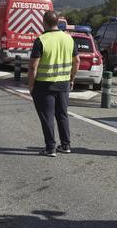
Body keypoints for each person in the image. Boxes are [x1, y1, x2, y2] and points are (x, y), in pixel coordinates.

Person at [27, 11, 80, 157]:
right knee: (62, 115)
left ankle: (50, 147)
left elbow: (33, 66)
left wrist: (31, 85)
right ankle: (66, 145)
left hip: (45, 85)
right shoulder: (69, 39)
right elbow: (77, 61)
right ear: (58, 23)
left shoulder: (41, 40)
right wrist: (72, 79)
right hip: (63, 84)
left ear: (44, 22)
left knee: (47, 116)